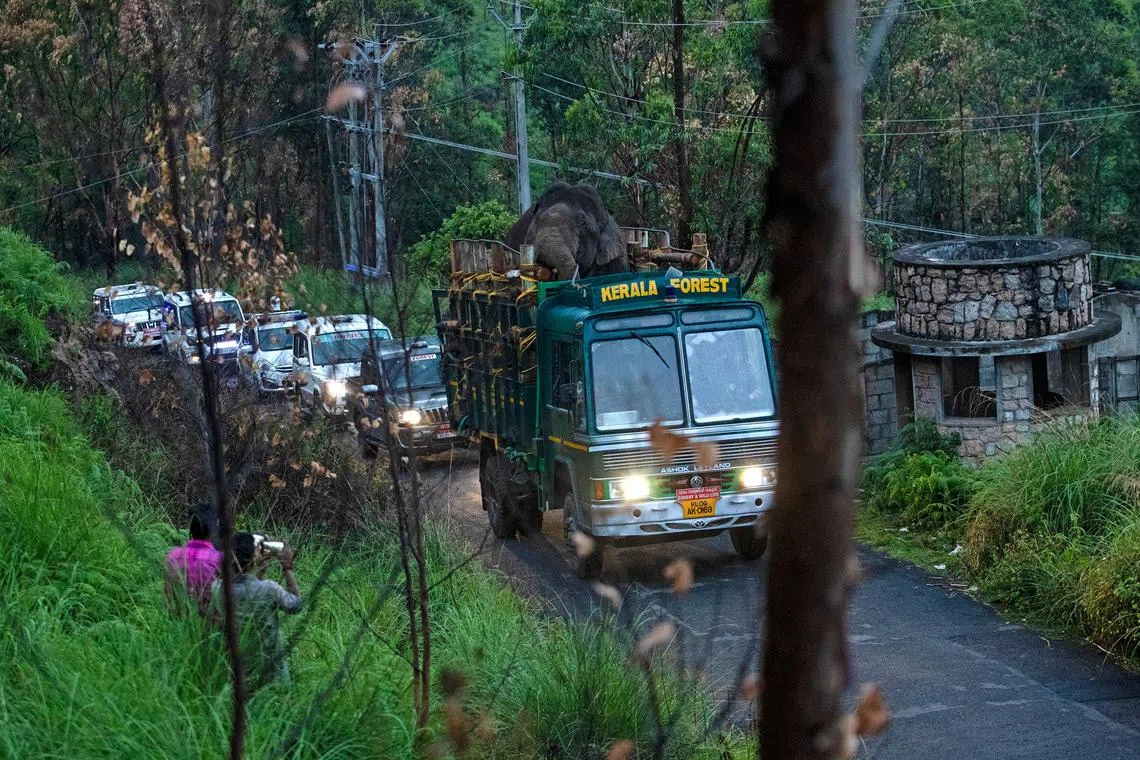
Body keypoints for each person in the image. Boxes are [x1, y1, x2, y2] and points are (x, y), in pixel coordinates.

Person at [213, 532, 302, 688]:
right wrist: (287, 568)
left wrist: (257, 570)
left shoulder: (217, 589)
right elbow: (295, 605)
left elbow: (245, 588)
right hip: (273, 675)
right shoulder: (269, 589)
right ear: (254, 559)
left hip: (236, 676)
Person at [165, 504, 223, 616]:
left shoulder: (173, 556)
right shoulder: (220, 559)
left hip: (175, 623)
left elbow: (168, 597)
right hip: (210, 625)